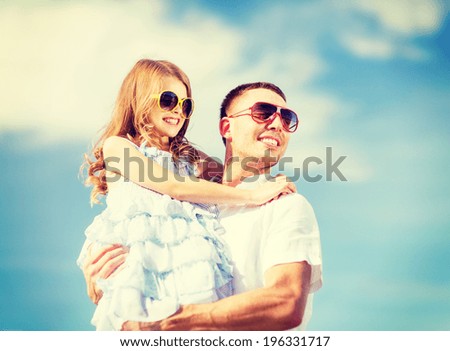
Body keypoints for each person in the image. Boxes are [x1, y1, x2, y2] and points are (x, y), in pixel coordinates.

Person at [82, 80, 322, 331]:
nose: (276, 124)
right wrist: (108, 292)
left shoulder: (285, 205)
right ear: (227, 127)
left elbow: (285, 302)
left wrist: (167, 322)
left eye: (287, 118)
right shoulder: (182, 213)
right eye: (262, 112)